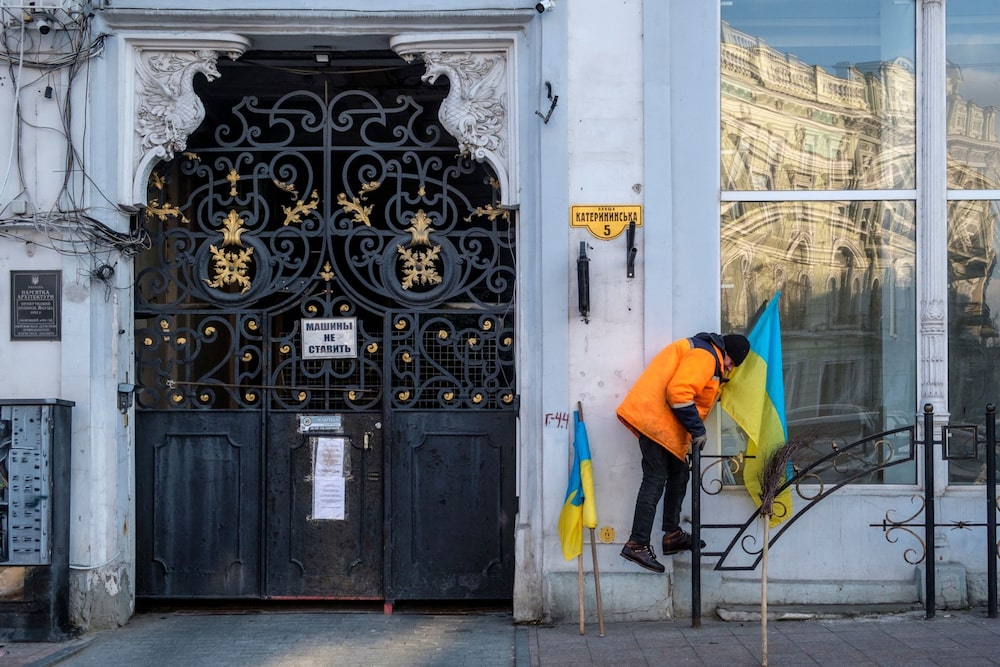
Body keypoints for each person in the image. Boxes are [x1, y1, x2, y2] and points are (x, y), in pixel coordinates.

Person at [616, 331, 750, 573]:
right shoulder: (707, 356)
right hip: (656, 423)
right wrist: (698, 430)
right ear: (727, 354)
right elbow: (678, 393)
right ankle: (637, 543)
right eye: (732, 363)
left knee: (679, 475)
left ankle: (672, 534)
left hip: (663, 425)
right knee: (655, 480)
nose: (730, 369)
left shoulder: (705, 354)